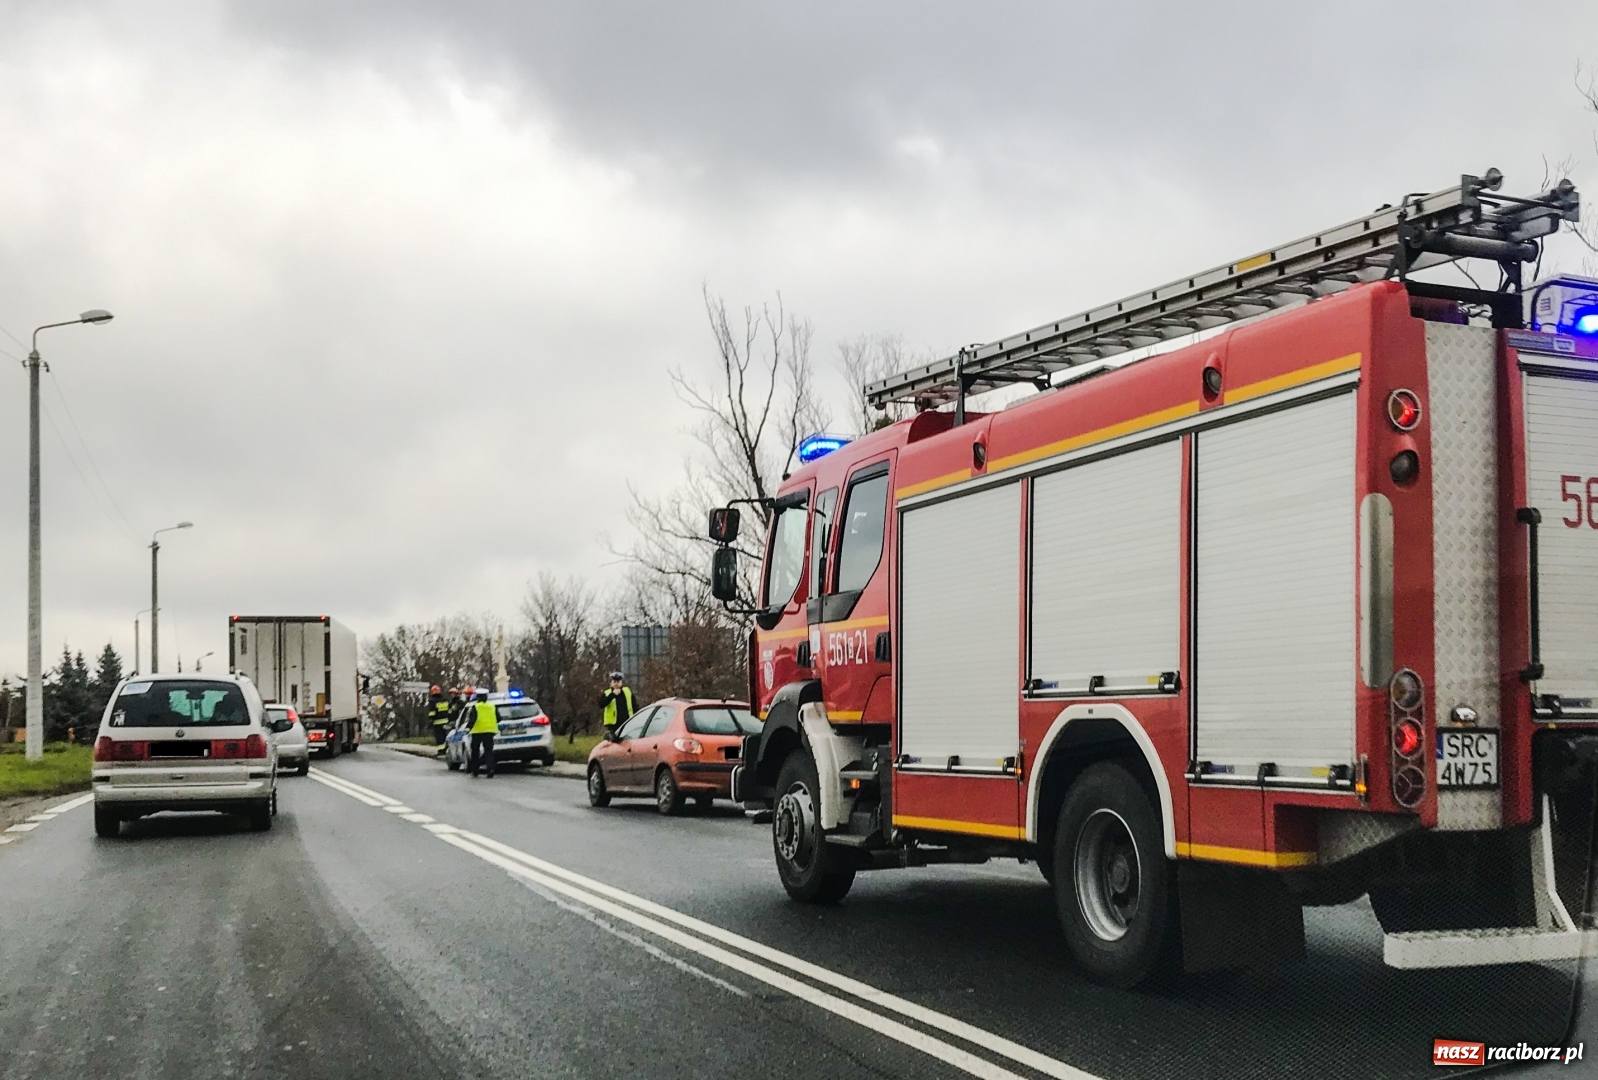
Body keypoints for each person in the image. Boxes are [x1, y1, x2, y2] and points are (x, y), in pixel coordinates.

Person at [467, 690, 498, 778]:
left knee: (475, 751)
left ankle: (475, 770)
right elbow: (498, 717)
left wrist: (469, 728)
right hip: (489, 731)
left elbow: (472, 719)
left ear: (478, 697)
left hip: (477, 731)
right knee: (489, 751)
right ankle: (490, 769)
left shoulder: (476, 706)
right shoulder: (492, 706)